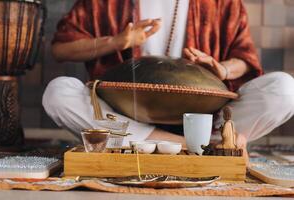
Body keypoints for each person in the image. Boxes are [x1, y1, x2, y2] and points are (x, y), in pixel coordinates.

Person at [43, 0, 294, 150]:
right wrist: (117, 41)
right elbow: (61, 49)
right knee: (58, 93)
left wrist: (223, 69)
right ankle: (197, 148)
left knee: (285, 89)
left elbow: (245, 60)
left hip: (206, 116)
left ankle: (211, 139)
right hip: (122, 112)